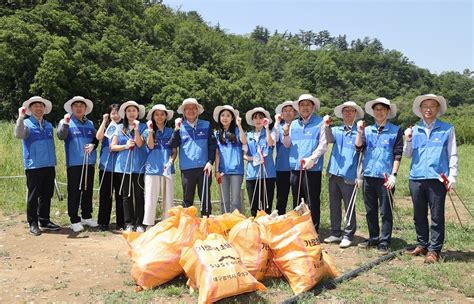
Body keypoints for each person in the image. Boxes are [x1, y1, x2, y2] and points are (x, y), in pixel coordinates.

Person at [403, 94, 458, 263]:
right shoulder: (415, 129)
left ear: (438, 109)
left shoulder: (447, 129)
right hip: (416, 178)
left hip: (437, 179)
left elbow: (452, 153)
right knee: (418, 214)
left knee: (436, 215)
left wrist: (452, 175)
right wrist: (408, 140)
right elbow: (407, 154)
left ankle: (434, 249)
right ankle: (422, 244)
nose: (428, 109)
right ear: (420, 110)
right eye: (424, 106)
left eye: (432, 106)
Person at [355, 97, 403, 254]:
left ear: (388, 112)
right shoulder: (367, 130)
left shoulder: (395, 130)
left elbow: (397, 154)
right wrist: (360, 132)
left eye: (382, 109)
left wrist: (393, 175)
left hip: (385, 178)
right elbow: (359, 148)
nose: (379, 112)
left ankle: (384, 241)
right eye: (376, 109)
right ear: (373, 112)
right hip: (369, 174)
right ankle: (373, 237)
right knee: (370, 210)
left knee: (385, 210)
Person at [15, 96, 60, 236]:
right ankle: (33, 222)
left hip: (49, 165)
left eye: (41, 106)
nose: (39, 108)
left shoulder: (48, 125)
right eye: (36, 106)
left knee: (47, 194)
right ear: (30, 109)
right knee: (33, 196)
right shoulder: (26, 123)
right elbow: (19, 134)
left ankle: (44, 220)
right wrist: (20, 118)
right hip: (33, 166)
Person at [283, 94, 328, 231]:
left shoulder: (320, 123)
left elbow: (323, 145)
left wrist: (312, 158)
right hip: (296, 168)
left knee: (312, 200)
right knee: (297, 199)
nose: (305, 108)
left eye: (308, 104)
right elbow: (287, 145)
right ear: (299, 108)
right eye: (302, 105)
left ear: (313, 107)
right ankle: (298, 227)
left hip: (312, 168)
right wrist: (285, 134)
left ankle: (313, 229)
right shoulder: (294, 124)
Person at [323, 101, 364, 248]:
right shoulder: (336, 130)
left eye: (351, 111)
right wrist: (326, 125)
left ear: (356, 114)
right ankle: (335, 232)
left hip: (350, 174)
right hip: (334, 172)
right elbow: (328, 140)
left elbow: (361, 152)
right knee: (334, 204)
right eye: (345, 111)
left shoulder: (360, 131)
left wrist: (360, 176)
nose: (348, 113)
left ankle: (348, 234)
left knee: (349, 206)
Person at [57, 96, 99, 233]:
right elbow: (61, 136)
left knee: (87, 190)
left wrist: (93, 144)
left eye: (82, 105)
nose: (79, 108)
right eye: (76, 106)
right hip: (74, 163)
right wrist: (66, 124)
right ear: (72, 108)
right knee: (74, 191)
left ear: (85, 108)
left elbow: (96, 138)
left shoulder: (90, 123)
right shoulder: (66, 121)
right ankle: (74, 219)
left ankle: (87, 216)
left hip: (89, 162)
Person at [170, 98, 217, 216]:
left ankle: (206, 224)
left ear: (198, 110)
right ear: (184, 111)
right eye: (188, 109)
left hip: (204, 167)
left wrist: (210, 162)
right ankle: (188, 226)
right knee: (187, 199)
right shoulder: (180, 126)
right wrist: (176, 129)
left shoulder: (206, 125)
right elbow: (173, 145)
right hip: (187, 168)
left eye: (193, 108)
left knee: (205, 198)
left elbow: (212, 145)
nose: (191, 111)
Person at [110, 101, 147, 232]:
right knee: (126, 196)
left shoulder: (143, 127)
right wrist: (125, 146)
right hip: (123, 166)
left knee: (139, 194)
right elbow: (112, 146)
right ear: (125, 113)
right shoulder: (119, 128)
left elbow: (140, 144)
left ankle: (140, 223)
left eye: (134, 110)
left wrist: (136, 130)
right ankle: (128, 223)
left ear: (138, 113)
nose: (131, 113)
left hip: (138, 166)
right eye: (129, 111)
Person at [142, 104, 177, 226]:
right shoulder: (147, 131)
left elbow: (174, 151)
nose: (159, 117)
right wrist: (151, 131)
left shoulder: (171, 131)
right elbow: (150, 146)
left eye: (162, 114)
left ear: (166, 116)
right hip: (152, 169)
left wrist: (171, 162)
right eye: (156, 114)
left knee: (168, 199)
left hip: (168, 170)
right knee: (151, 198)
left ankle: (167, 223)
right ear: (153, 116)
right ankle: (148, 224)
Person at [213, 105, 247, 213]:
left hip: (236, 171)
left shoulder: (237, 131)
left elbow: (244, 141)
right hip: (223, 172)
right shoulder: (217, 134)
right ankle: (225, 226)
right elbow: (217, 153)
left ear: (232, 118)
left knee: (236, 201)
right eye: (222, 115)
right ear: (219, 118)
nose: (225, 118)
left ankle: (237, 225)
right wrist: (216, 171)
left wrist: (239, 125)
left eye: (228, 115)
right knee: (224, 201)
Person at [96, 104, 124, 231]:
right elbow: (98, 137)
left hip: (120, 166)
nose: (116, 115)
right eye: (113, 113)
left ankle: (121, 222)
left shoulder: (125, 127)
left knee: (120, 195)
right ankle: (103, 222)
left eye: (118, 112)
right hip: (106, 165)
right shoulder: (107, 126)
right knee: (105, 195)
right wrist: (104, 121)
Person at [244, 107, 276, 216]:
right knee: (254, 205)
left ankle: (266, 229)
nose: (258, 120)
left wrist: (267, 128)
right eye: (255, 118)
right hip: (252, 174)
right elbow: (244, 154)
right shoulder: (248, 136)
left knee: (267, 204)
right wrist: (254, 158)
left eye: (261, 118)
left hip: (268, 174)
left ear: (265, 120)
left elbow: (271, 144)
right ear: (252, 121)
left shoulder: (270, 133)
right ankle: (255, 229)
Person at [273, 101, 297, 215]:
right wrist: (277, 122)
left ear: (295, 112)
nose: (288, 113)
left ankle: (297, 222)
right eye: (285, 110)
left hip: (297, 167)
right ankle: (280, 222)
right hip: (281, 167)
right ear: (281, 113)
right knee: (281, 198)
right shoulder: (278, 127)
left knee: (298, 198)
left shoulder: (299, 126)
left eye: (290, 110)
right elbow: (274, 140)